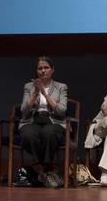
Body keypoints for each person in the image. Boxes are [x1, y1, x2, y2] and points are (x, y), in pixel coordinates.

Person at [12, 57, 69, 188]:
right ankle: (47, 169)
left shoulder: (61, 87)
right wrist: (35, 93)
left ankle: (41, 171)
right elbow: (24, 110)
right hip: (33, 120)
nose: (43, 71)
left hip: (53, 120)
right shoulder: (29, 86)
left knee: (48, 133)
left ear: (52, 70)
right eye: (40, 68)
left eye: (46, 68)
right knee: (28, 134)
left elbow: (61, 111)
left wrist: (45, 94)